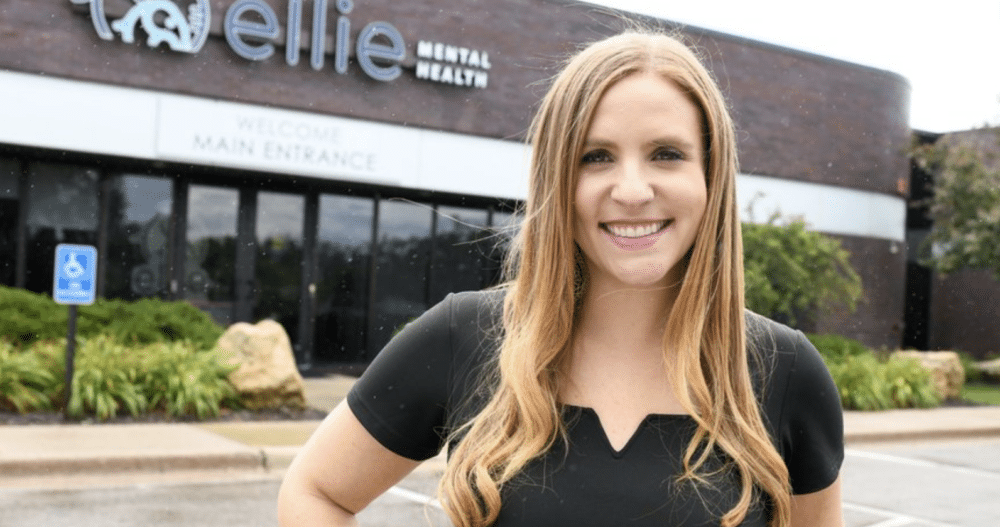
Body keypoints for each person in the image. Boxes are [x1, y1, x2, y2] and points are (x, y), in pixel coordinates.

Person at [278, 30, 844, 527]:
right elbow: (315, 492)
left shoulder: (784, 372)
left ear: (711, 176)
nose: (631, 189)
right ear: (556, 178)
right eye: (595, 156)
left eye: (666, 154)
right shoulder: (464, 337)